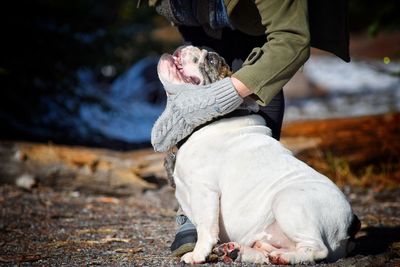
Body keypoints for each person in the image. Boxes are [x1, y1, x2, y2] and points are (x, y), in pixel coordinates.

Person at [141, 0, 350, 257]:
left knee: (256, 65)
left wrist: (226, 93)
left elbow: (290, 41)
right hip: (200, 15)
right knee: (202, 55)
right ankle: (204, 214)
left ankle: (269, 222)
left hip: (261, 25)